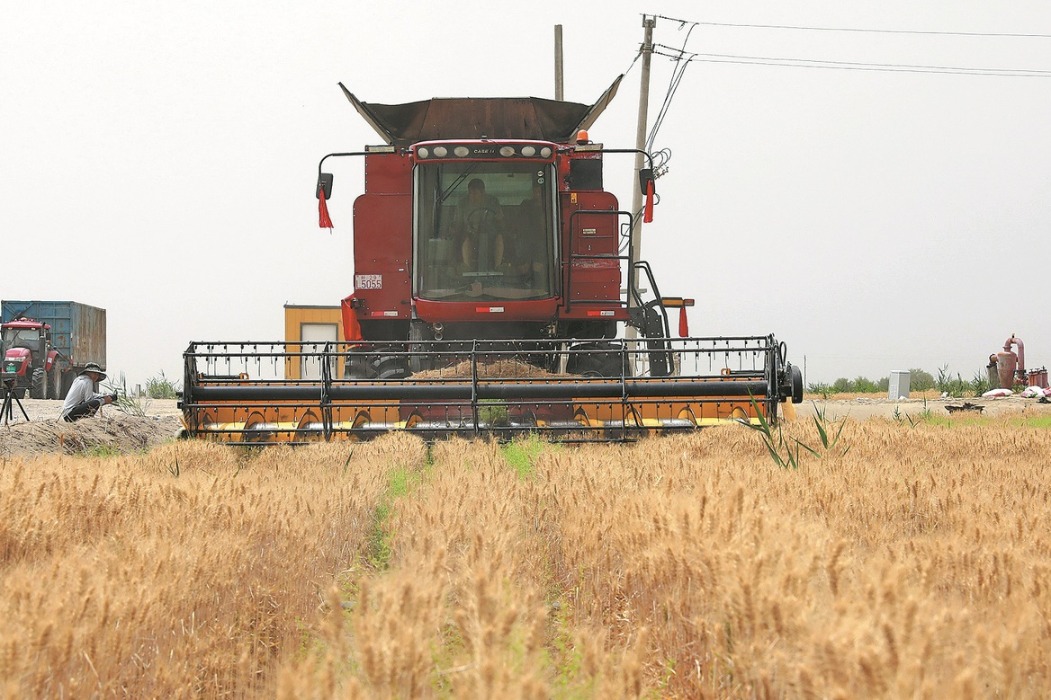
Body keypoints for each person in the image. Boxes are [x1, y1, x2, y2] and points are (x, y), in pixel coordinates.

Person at [457, 178, 504, 269]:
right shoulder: (462, 203)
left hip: (491, 235)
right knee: (465, 239)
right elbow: (458, 223)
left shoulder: (493, 201)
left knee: (499, 238)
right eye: (470, 193)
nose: (472, 196)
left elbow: (501, 220)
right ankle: (467, 268)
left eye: (475, 193)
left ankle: (498, 267)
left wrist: (499, 219)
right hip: (470, 234)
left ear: (483, 192)